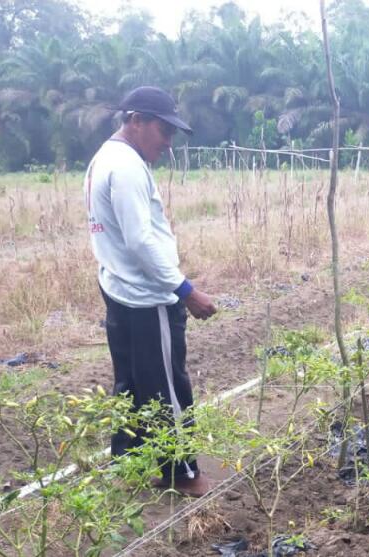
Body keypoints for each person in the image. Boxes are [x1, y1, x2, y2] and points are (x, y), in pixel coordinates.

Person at [85, 85, 218, 497]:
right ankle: (183, 473)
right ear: (136, 121)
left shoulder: (104, 158)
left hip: (118, 288)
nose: (167, 142)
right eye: (163, 131)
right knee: (166, 388)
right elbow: (141, 241)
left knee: (132, 383)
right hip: (146, 297)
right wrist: (185, 290)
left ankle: (129, 463)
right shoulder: (124, 167)